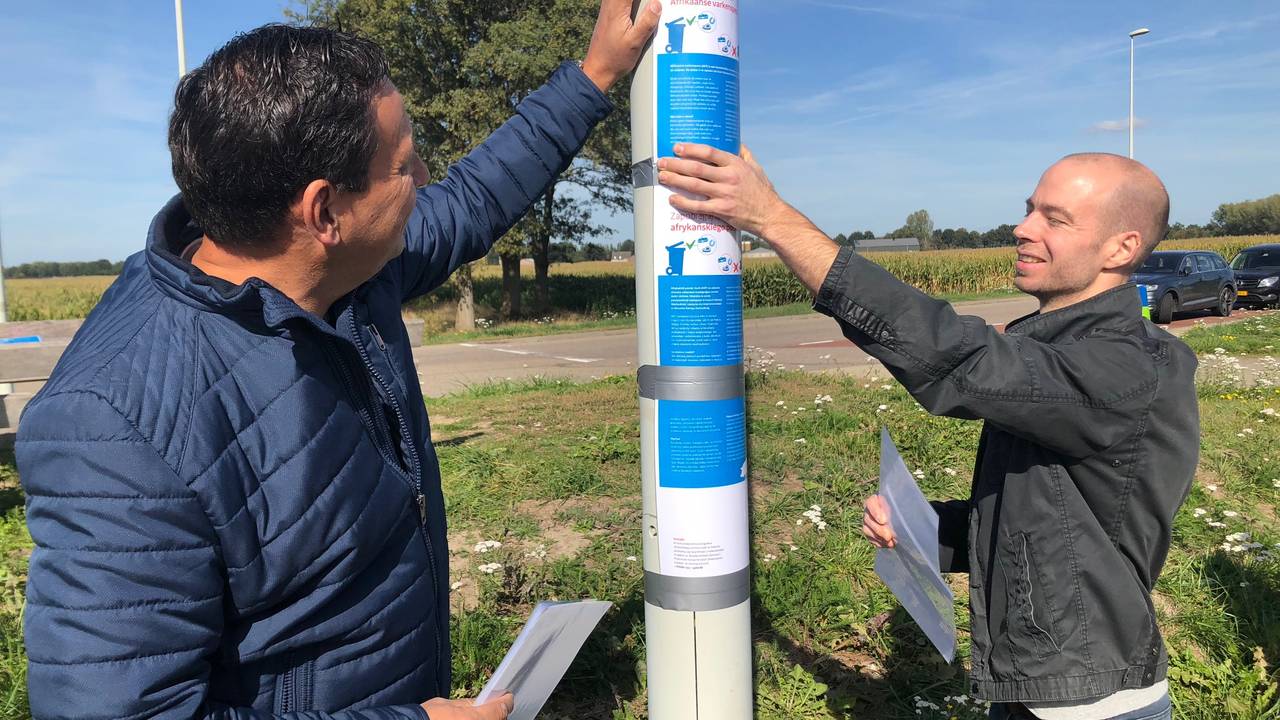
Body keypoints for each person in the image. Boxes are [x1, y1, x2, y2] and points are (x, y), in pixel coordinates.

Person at [16, 3, 660, 718]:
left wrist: (596, 73)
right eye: (403, 160)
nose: (422, 173)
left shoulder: (353, 269)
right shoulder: (115, 423)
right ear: (324, 213)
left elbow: (477, 199)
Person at [656, 145, 1196, 720]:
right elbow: (1050, 529)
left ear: (1123, 247)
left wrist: (772, 219)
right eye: (1030, 209)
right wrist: (924, 529)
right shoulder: (1064, 353)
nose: (1022, 228)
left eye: (1054, 218)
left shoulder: (1126, 369)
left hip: (1094, 703)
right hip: (1035, 693)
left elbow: (959, 359)